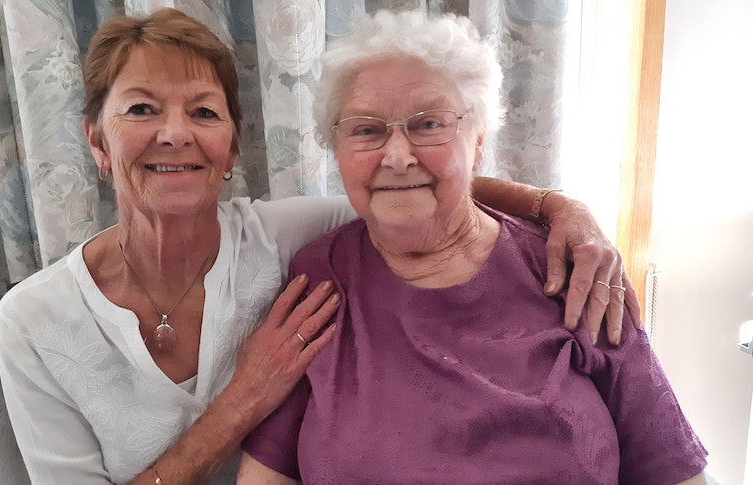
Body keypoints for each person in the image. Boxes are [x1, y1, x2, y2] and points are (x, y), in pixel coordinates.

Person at [0, 8, 635, 485]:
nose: (174, 135)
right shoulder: (32, 322)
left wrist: (560, 209)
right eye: (139, 110)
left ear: (231, 149)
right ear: (97, 143)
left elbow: (410, 183)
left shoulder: (288, 237)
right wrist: (243, 398)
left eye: (204, 112)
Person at [238, 10, 707, 485]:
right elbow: (268, 472)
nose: (398, 157)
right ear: (336, 148)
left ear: (478, 142)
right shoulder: (320, 273)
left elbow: (671, 467)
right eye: (366, 129)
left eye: (428, 125)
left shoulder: (571, 268)